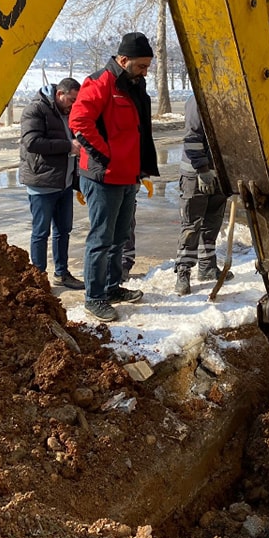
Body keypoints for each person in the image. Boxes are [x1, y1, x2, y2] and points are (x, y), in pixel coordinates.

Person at [69, 32, 160, 322]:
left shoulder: (133, 84)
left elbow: (138, 130)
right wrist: (105, 156)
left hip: (127, 176)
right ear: (123, 60)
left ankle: (111, 287)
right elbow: (79, 122)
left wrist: (140, 169)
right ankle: (94, 298)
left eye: (148, 66)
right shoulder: (100, 83)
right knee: (101, 239)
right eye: (141, 66)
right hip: (102, 177)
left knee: (120, 237)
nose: (145, 72)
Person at [19, 78, 85, 290]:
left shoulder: (68, 112)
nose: (74, 104)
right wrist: (68, 146)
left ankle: (62, 273)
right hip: (42, 183)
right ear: (59, 94)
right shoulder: (35, 110)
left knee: (63, 230)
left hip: (63, 183)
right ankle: (38, 278)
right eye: (71, 99)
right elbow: (32, 142)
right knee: (41, 232)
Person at [173, 94, 233, 295]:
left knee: (212, 222)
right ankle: (183, 272)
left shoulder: (229, 99)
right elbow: (192, 137)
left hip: (219, 172)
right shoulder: (198, 100)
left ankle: (207, 265)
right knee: (191, 224)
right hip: (196, 175)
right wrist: (202, 169)